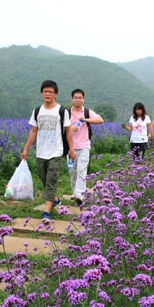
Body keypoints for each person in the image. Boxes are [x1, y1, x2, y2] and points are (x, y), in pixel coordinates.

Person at [21, 80, 76, 220]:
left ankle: (47, 211)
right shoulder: (37, 111)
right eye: (45, 91)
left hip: (56, 152)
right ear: (41, 93)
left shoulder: (62, 111)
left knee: (51, 180)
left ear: (55, 94)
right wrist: (26, 149)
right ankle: (55, 198)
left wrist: (71, 149)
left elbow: (68, 132)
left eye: (50, 92)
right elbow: (33, 131)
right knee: (44, 179)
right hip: (41, 152)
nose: (47, 94)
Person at [68, 89, 104, 205]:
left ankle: (80, 195)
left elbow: (100, 120)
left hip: (84, 146)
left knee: (81, 170)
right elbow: (61, 127)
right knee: (72, 172)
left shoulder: (87, 112)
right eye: (75, 97)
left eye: (80, 98)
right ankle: (75, 193)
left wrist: (85, 119)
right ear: (72, 99)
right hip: (70, 148)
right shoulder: (67, 113)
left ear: (83, 99)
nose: (78, 100)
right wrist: (69, 129)